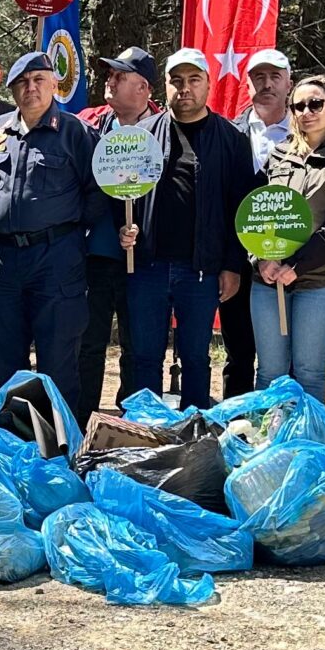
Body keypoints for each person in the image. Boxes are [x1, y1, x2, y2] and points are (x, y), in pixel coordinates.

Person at [117, 49, 252, 407]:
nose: (185, 88)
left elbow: (240, 208)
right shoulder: (141, 135)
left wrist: (231, 265)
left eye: (194, 80)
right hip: (147, 267)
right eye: (177, 81)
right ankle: (146, 432)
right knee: (145, 357)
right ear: (165, 86)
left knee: (196, 358)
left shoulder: (231, 139)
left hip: (202, 270)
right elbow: (120, 195)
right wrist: (124, 229)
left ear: (208, 84)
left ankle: (194, 433)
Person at [0, 50, 94, 413]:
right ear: (12, 90)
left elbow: (95, 195)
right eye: (22, 83)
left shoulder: (74, 132)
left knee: (57, 364)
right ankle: (7, 447)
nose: (30, 88)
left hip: (56, 260)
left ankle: (58, 454)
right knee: (3, 364)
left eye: (38, 80)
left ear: (54, 85)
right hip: (3, 263)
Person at [248, 76, 325, 404]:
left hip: (320, 284)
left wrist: (296, 265)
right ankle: (269, 446)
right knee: (269, 371)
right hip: (268, 281)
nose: (306, 112)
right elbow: (252, 214)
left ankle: (307, 445)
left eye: (315, 104)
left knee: (309, 370)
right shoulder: (277, 156)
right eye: (298, 106)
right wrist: (260, 259)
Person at [75, 48, 164, 414]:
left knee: (137, 346)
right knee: (89, 343)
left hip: (143, 262)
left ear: (143, 87)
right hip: (94, 256)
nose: (108, 80)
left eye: (118, 75)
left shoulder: (164, 129)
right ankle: (81, 422)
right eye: (109, 74)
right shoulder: (89, 123)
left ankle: (129, 424)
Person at [222, 47, 297, 397]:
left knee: (290, 360)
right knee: (238, 353)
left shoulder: (307, 134)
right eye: (259, 77)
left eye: (275, 77)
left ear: (289, 84)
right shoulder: (226, 133)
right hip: (237, 262)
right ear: (247, 83)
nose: (267, 84)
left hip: (290, 261)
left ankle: (284, 433)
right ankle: (234, 430)